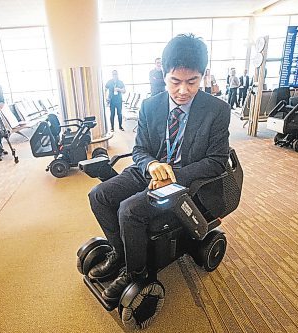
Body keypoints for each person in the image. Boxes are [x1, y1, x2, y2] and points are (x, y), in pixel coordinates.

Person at [88, 34, 230, 302]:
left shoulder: (216, 110)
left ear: (203, 76)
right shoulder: (150, 106)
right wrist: (153, 165)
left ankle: (135, 273)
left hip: (184, 181)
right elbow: (140, 150)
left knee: (129, 211)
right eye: (175, 81)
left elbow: (217, 160)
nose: (183, 90)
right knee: (98, 195)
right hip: (150, 171)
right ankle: (121, 254)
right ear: (163, 75)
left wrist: (171, 176)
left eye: (192, 81)